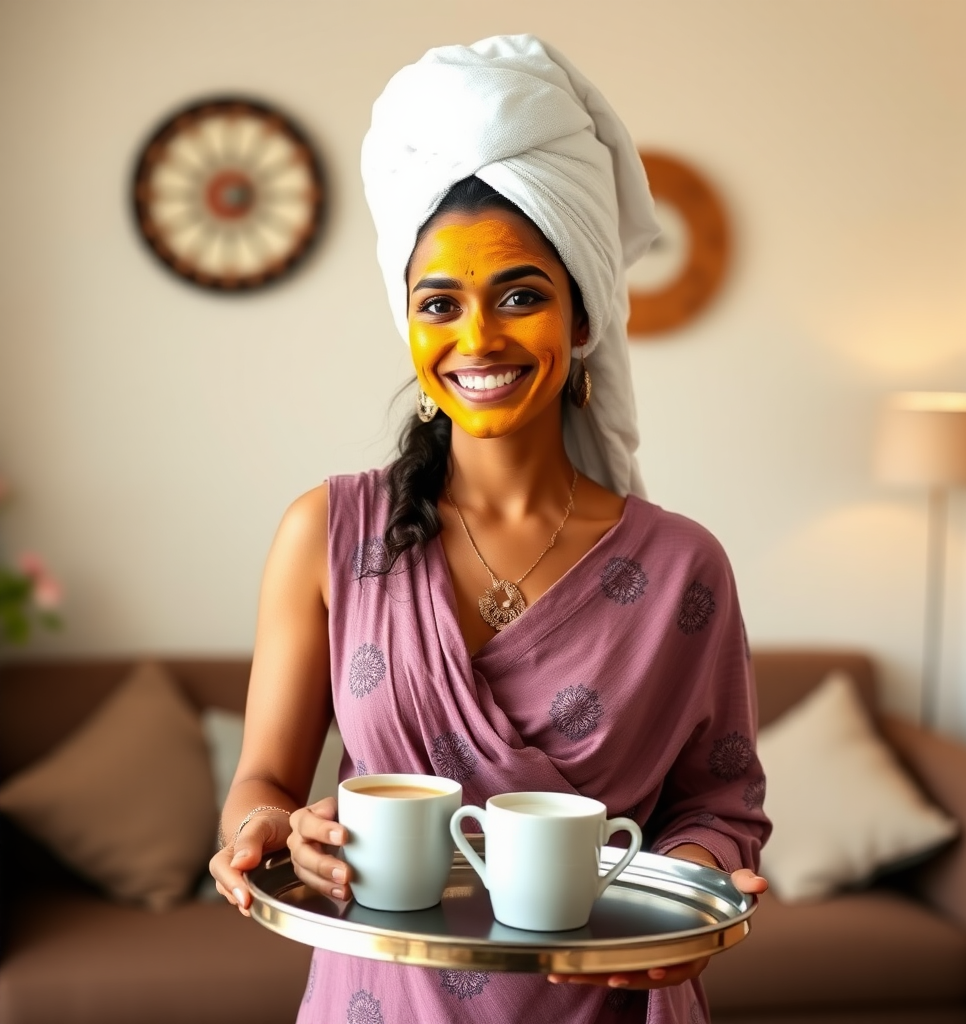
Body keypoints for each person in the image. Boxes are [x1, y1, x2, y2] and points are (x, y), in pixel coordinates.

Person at [209, 34, 770, 1024]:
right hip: (376, 1003)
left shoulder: (685, 566)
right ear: (412, 326)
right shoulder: (327, 533)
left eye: (520, 295)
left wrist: (684, 903)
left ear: (582, 317)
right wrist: (271, 829)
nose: (477, 339)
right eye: (440, 304)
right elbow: (263, 780)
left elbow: (718, 809)